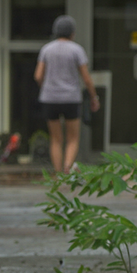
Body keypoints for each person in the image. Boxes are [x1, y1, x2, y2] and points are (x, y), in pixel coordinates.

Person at [34, 15, 99, 174]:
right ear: (72, 33)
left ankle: (57, 175)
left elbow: (38, 75)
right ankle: (67, 168)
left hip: (50, 99)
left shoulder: (46, 49)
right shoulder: (77, 50)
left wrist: (47, 87)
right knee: (73, 138)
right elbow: (86, 78)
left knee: (56, 139)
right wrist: (93, 97)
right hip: (71, 98)